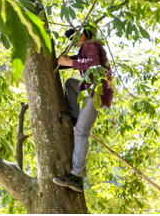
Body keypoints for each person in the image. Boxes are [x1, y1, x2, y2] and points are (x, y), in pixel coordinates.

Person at [52, 22, 113, 193]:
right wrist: (64, 62)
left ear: (86, 33)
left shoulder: (91, 45)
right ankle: (75, 116)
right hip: (90, 91)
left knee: (81, 133)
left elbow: (93, 64)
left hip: (96, 94)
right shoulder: (84, 50)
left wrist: (70, 63)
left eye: (76, 35)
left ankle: (77, 176)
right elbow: (78, 61)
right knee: (71, 83)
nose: (73, 38)